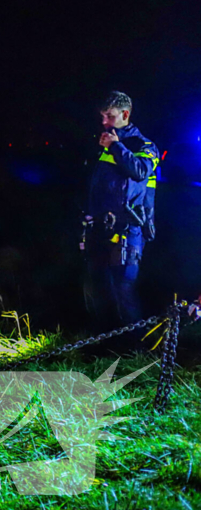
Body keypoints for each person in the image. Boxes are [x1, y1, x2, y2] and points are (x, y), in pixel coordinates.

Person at [83, 91, 160, 338]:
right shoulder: (104, 141)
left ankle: (135, 349)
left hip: (129, 228)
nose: (104, 121)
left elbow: (139, 171)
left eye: (110, 116)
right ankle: (101, 342)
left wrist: (115, 146)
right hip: (100, 227)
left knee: (123, 288)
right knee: (99, 285)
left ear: (125, 114)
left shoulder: (144, 145)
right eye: (102, 116)